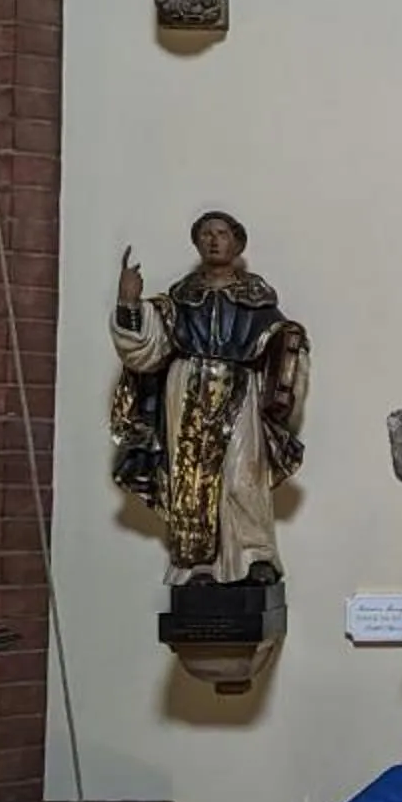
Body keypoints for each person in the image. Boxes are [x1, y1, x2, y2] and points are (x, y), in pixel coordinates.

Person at [111, 213, 308, 585]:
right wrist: (128, 300)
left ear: (237, 243)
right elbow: (143, 352)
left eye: (221, 234)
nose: (213, 241)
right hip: (186, 391)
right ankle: (196, 564)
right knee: (192, 476)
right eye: (205, 235)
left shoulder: (257, 299)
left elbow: (283, 344)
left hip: (240, 389)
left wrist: (291, 349)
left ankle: (255, 556)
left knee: (242, 477)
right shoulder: (178, 301)